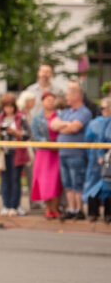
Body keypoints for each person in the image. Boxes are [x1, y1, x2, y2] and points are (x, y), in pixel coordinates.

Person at [49, 80, 92, 220]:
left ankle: (79, 209)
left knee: (77, 181)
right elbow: (53, 125)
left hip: (77, 154)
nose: (66, 97)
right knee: (67, 182)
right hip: (63, 153)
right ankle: (71, 208)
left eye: (68, 94)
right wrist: (66, 124)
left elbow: (75, 128)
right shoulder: (66, 112)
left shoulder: (84, 112)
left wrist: (64, 127)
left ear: (76, 96)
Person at [0, 93, 30, 216]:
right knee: (5, 179)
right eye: (5, 106)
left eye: (10, 106)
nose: (8, 109)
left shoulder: (21, 117)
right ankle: (6, 205)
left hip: (17, 151)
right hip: (4, 151)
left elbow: (27, 134)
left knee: (15, 179)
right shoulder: (0, 118)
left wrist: (14, 131)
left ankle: (15, 205)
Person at [31, 92, 64, 219]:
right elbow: (35, 135)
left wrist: (57, 143)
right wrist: (47, 142)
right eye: (47, 100)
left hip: (57, 152)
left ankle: (55, 208)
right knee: (45, 181)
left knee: (56, 180)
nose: (50, 102)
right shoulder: (37, 118)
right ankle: (48, 208)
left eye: (52, 100)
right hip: (44, 152)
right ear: (42, 102)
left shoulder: (60, 115)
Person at [82, 97, 111, 223]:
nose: (102, 110)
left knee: (108, 185)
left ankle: (108, 214)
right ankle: (93, 212)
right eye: (101, 108)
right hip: (97, 159)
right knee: (93, 183)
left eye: (104, 108)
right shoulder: (95, 122)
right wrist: (98, 155)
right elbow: (90, 139)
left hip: (107, 159)